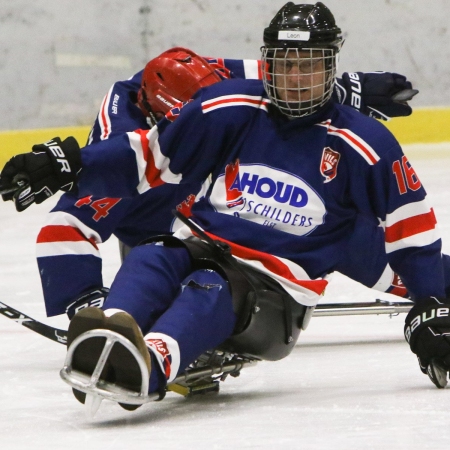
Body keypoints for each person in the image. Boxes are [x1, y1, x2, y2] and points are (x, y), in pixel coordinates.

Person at [4, 2, 450, 405]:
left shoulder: (365, 143)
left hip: (272, 283)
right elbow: (143, 159)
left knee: (210, 288)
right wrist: (70, 163)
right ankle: (110, 327)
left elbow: (410, 232)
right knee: (151, 258)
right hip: (192, 235)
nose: (295, 79)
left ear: (330, 66)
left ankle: (152, 363)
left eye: (311, 66)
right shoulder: (226, 107)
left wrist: (433, 300)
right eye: (285, 65)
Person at [1, 48, 421, 319]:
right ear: (157, 117)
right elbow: (64, 228)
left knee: (347, 235)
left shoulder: (202, 79)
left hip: (226, 197)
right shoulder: (120, 142)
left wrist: (345, 86)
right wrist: (88, 305)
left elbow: (275, 72)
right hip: (163, 221)